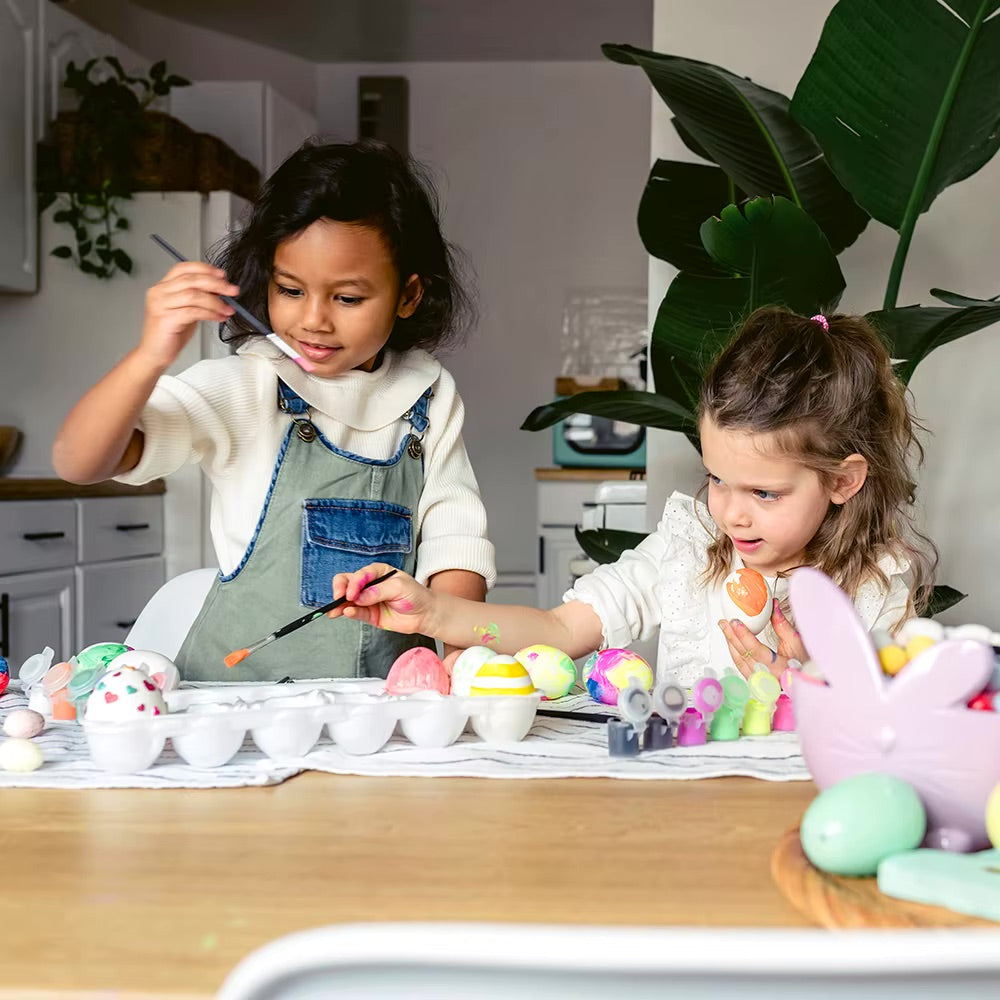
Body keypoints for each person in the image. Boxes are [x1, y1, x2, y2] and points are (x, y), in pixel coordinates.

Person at [53, 138, 495, 681]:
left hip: (381, 708)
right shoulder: (247, 386)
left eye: (347, 298)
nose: (313, 320)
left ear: (407, 296)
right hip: (239, 708)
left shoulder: (429, 396)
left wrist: (457, 666)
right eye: (290, 289)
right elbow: (80, 462)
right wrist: (149, 356)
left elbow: (456, 547)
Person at [326, 307, 936, 686]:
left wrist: (809, 693)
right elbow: (560, 630)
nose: (730, 511)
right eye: (718, 479)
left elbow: (886, 740)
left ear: (843, 481)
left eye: (765, 493)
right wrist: (432, 612)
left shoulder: (875, 587)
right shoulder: (689, 549)